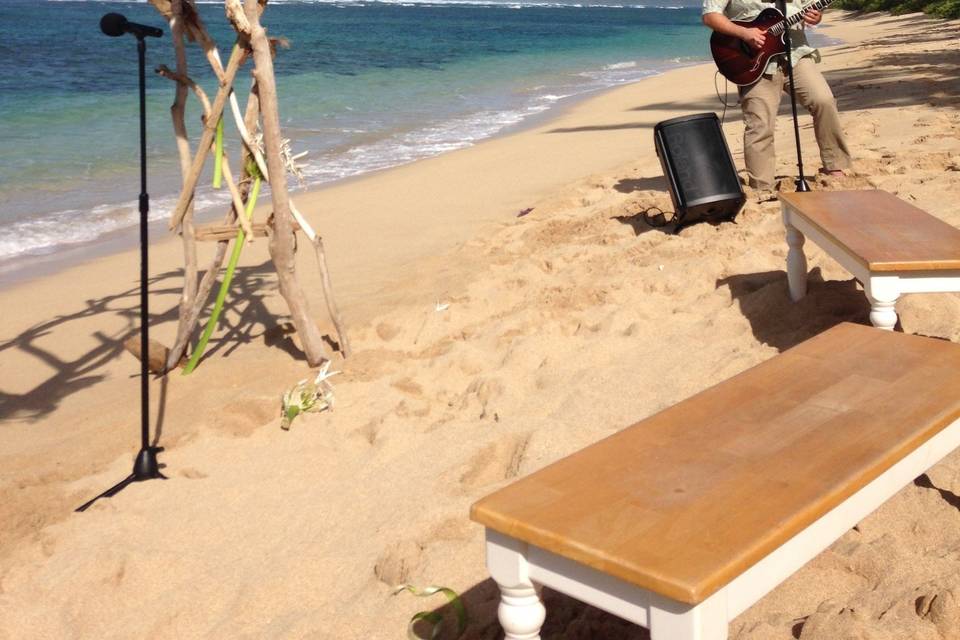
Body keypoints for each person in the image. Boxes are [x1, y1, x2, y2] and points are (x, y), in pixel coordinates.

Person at [702, 0, 851, 195]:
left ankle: (834, 165)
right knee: (760, 123)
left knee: (824, 101)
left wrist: (817, 17)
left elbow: (812, 6)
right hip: (752, 59)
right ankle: (762, 185)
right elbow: (710, 16)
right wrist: (745, 34)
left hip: (795, 52)